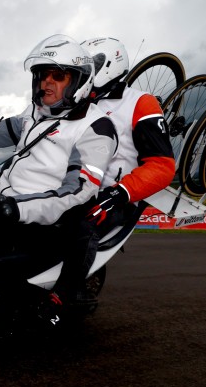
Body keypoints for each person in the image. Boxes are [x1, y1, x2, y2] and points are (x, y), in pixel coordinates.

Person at [0, 34, 118, 375]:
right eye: (42, 75)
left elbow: (78, 190)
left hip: (42, 218)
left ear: (79, 82)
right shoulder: (35, 114)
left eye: (58, 76)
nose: (46, 82)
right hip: (7, 199)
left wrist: (17, 208)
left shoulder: (95, 128)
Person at [44, 36, 175, 317]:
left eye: (94, 64)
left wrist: (120, 192)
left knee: (83, 220)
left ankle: (66, 294)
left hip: (116, 194)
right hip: (75, 182)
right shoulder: (81, 100)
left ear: (111, 65)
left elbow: (162, 165)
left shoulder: (141, 103)